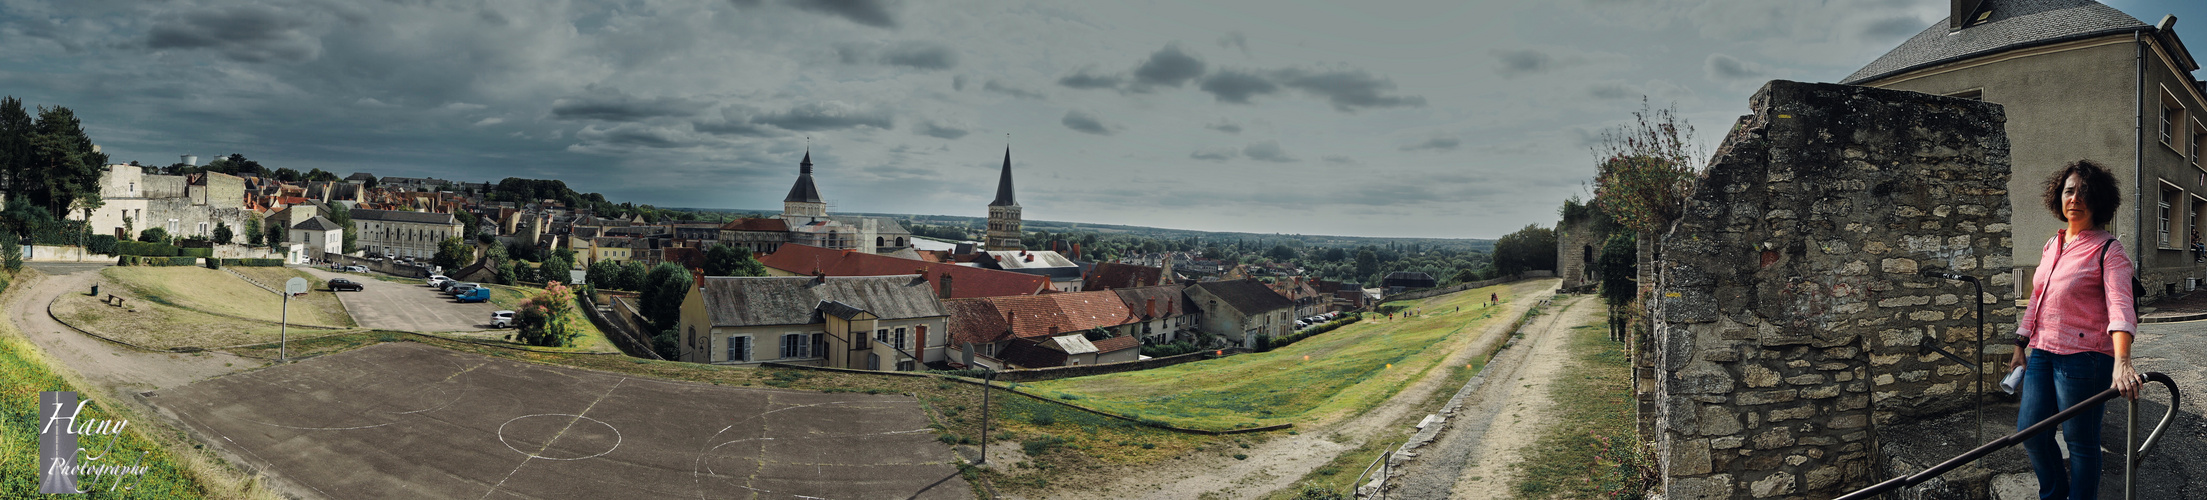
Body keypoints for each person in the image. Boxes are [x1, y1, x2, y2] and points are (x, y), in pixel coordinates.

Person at [2011, 159, 2145, 500]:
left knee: (2081, 441)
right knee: (2031, 431)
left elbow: (2120, 306)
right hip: (2042, 351)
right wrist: (2020, 344)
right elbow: (2037, 297)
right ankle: (2054, 494)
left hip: (2084, 359)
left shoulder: (2109, 249)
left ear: (2098, 199)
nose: (2075, 198)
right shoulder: (2052, 244)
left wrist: (2122, 360)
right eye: (2069, 191)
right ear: (2059, 197)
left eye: (2084, 192)